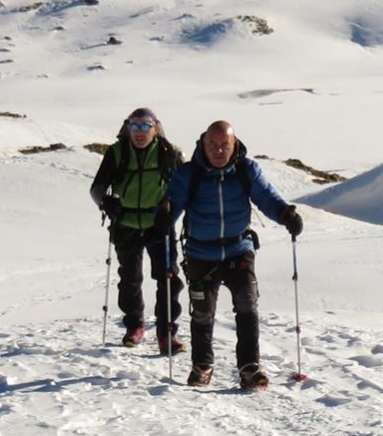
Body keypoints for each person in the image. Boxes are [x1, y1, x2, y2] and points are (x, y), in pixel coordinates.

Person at [168, 120, 303, 389]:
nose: (218, 151)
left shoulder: (246, 170)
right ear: (203, 143)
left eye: (224, 145)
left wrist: (285, 215)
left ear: (234, 144)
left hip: (238, 249)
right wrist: (162, 218)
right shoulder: (188, 174)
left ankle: (249, 367)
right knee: (203, 312)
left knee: (247, 305)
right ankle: (202, 366)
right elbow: (171, 205)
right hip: (200, 252)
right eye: (213, 145)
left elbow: (267, 197)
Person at [88, 107, 186, 354]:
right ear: (128, 128)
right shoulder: (117, 152)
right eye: (135, 126)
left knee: (168, 278)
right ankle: (135, 326)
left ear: (155, 128)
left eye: (145, 126)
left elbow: (184, 188)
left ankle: (166, 333)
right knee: (130, 279)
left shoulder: (168, 153)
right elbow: (97, 188)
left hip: (158, 224)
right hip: (126, 223)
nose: (139, 132)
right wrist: (106, 202)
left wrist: (171, 212)